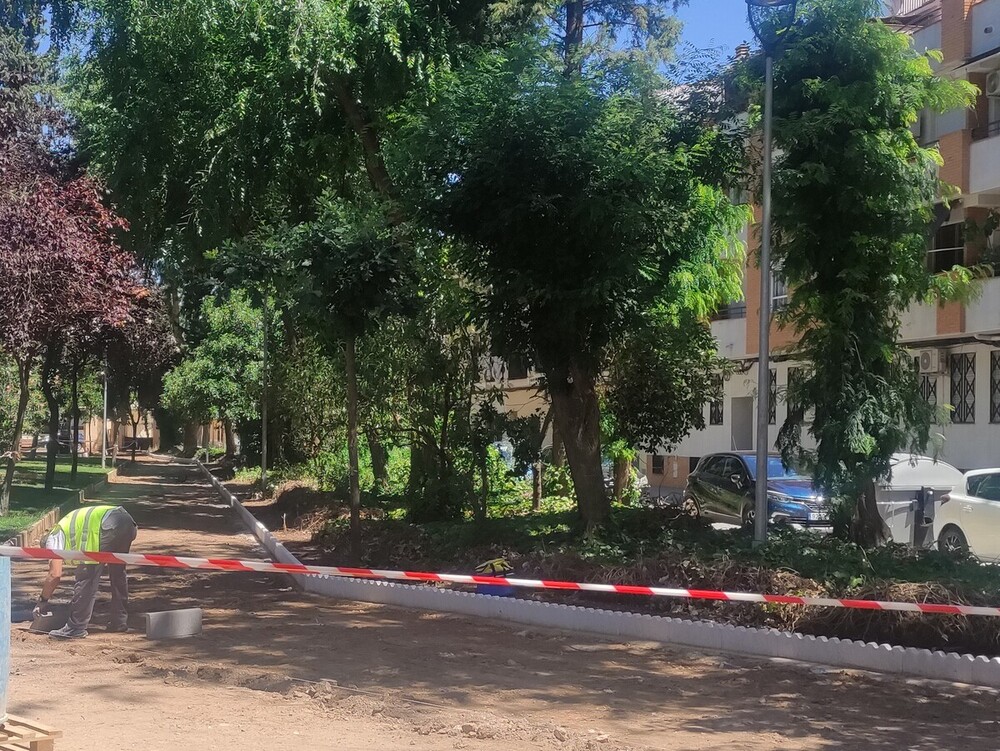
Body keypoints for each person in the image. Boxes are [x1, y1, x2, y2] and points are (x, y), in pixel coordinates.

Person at [32, 505, 138, 638]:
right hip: (127, 522)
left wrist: (42, 601)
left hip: (106, 526)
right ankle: (119, 621)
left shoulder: (52, 539)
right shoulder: (64, 529)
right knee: (118, 573)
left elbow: (55, 574)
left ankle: (76, 627)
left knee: (87, 575)